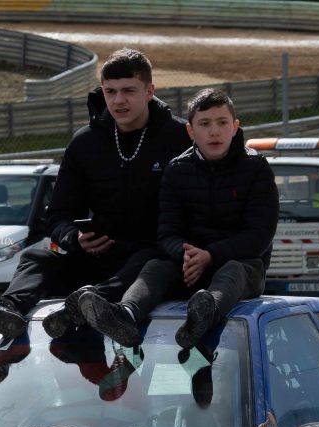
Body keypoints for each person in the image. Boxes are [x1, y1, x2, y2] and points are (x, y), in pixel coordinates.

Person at [0, 48, 192, 340]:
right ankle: (7, 307)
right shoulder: (85, 142)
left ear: (149, 91)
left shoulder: (179, 137)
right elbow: (58, 215)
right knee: (37, 257)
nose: (118, 100)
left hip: (152, 259)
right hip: (97, 256)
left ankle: (88, 303)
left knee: (151, 258)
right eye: (110, 91)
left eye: (128, 90)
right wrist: (74, 237)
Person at [76, 88, 279, 350]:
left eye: (222, 123)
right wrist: (186, 255)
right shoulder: (176, 170)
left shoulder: (257, 168)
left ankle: (204, 315)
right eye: (204, 124)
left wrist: (210, 255)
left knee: (234, 269)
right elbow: (167, 233)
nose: (214, 131)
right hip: (190, 267)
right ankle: (125, 315)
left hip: (243, 268)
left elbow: (259, 236)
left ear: (235, 126)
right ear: (191, 131)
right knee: (155, 266)